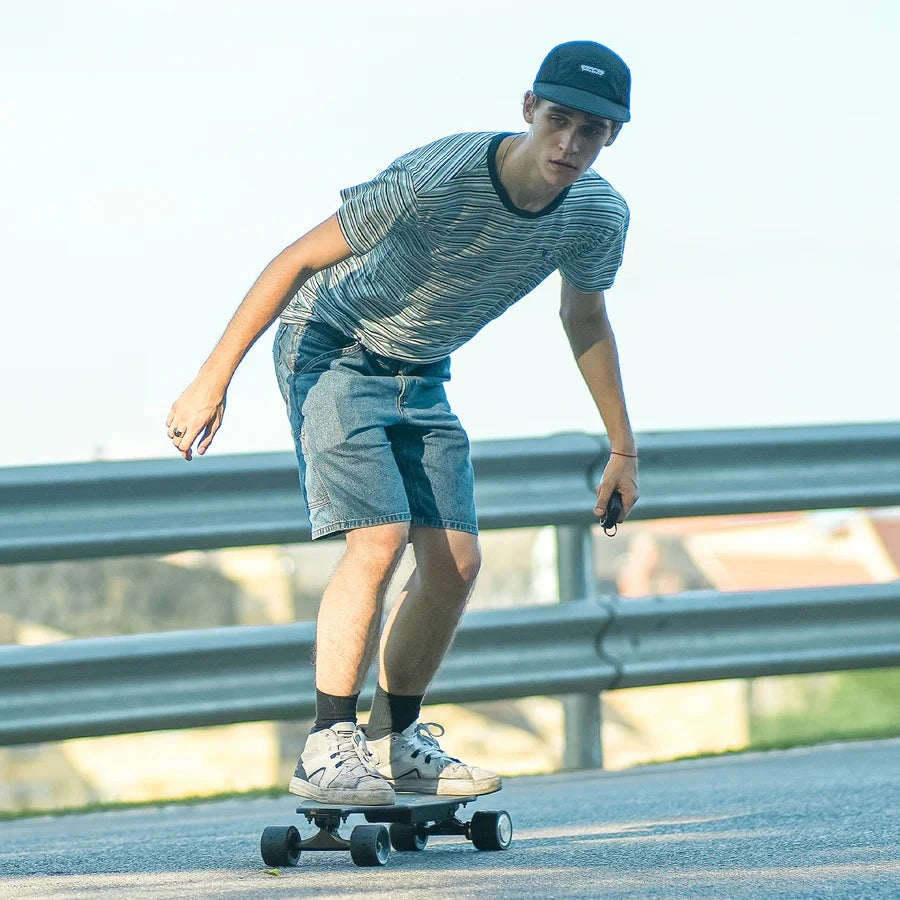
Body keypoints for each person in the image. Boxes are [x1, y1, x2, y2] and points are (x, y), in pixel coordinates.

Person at [166, 40, 640, 805]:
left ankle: (394, 740)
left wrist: (623, 446)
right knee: (379, 537)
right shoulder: (436, 177)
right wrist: (212, 377)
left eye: (593, 130)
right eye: (559, 119)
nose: (570, 143)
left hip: (420, 367)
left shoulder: (596, 215)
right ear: (529, 108)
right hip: (330, 343)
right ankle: (327, 747)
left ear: (611, 136)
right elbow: (295, 259)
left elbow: (584, 316)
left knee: (456, 562)